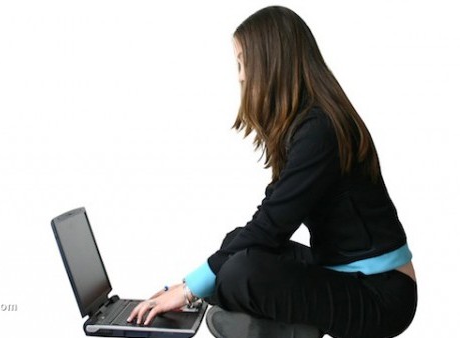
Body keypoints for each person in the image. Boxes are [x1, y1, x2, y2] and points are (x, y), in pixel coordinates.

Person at [127, 5, 417, 338]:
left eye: (242, 62)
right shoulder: (306, 125)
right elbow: (265, 220)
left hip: (380, 294)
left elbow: (271, 227)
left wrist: (189, 289)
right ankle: (278, 321)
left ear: (271, 62)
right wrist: (187, 284)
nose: (240, 75)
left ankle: (281, 328)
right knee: (235, 242)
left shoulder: (321, 130)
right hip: (342, 273)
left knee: (240, 271)